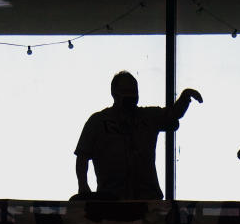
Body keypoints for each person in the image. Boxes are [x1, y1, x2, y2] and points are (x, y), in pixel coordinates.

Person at [75, 71, 202, 200]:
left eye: (133, 90)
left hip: (148, 199)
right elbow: (82, 156)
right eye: (126, 90)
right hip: (111, 201)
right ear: (114, 93)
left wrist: (185, 97)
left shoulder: (148, 117)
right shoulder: (98, 122)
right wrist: (83, 186)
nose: (131, 95)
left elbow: (174, 114)